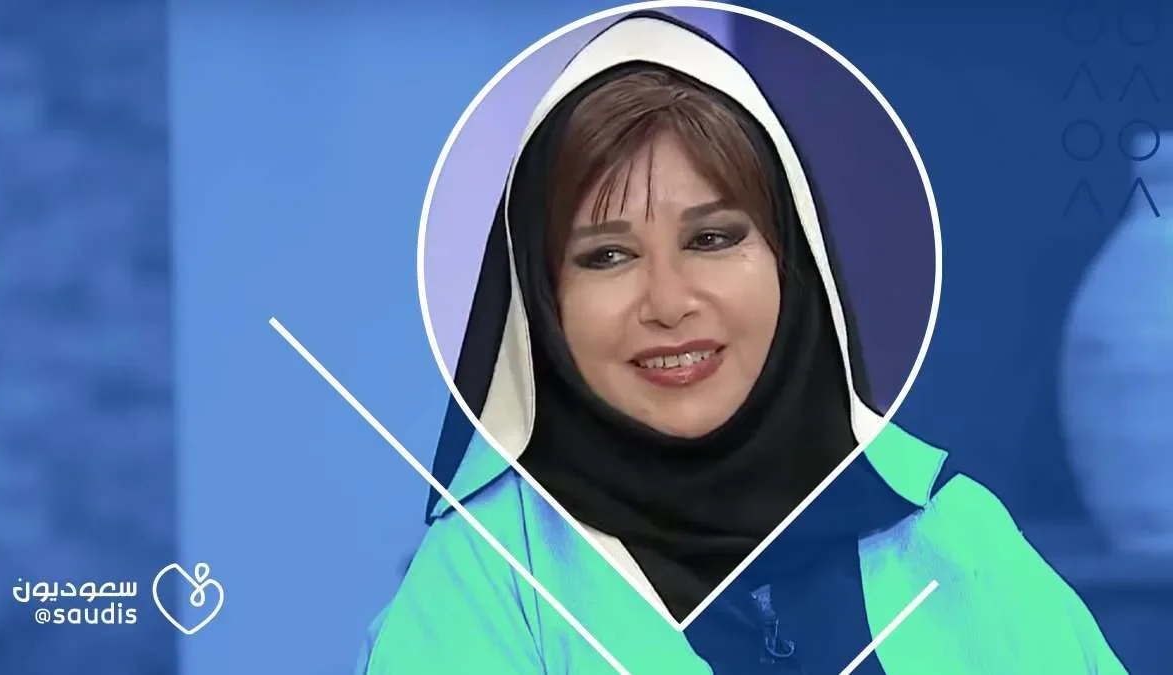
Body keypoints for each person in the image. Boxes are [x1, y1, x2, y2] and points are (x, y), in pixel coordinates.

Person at [357, 11, 1126, 675]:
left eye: (713, 238)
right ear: (543, 301)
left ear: (793, 262)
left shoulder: (951, 535)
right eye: (607, 255)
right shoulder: (493, 572)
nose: (668, 302)